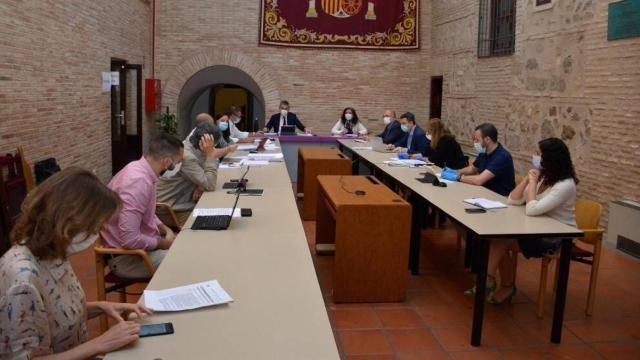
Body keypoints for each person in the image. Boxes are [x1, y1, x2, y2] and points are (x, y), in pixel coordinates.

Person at [0, 167, 153, 359]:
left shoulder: (53, 252)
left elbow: (54, 314)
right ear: (68, 221)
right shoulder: (23, 280)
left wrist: (102, 306)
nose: (96, 232)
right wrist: (100, 343)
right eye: (93, 226)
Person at [465, 138, 579, 304]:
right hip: (534, 228)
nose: (535, 157)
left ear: (551, 158)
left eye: (538, 154)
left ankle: (491, 282)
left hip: (556, 237)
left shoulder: (565, 185)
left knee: (500, 240)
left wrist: (532, 182)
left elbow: (532, 209)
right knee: (497, 239)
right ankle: (500, 284)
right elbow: (513, 200)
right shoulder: (543, 177)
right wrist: (527, 179)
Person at [100, 133, 184, 279]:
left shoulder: (141, 169)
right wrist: (164, 244)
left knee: (188, 251)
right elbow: (130, 240)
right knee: (188, 263)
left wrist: (165, 229)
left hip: (142, 249)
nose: (176, 166)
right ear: (166, 162)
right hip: (128, 258)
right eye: (176, 163)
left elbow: (145, 213)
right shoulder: (137, 183)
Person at [156, 123, 237, 227]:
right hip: (170, 210)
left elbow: (212, 157)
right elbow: (210, 185)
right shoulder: (187, 157)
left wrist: (200, 184)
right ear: (205, 143)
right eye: (213, 145)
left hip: (181, 203)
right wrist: (210, 155)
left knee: (222, 210)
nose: (214, 148)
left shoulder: (192, 146)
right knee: (217, 219)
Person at [447, 123, 515, 196]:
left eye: (477, 140)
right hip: (483, 192)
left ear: (487, 139)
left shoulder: (502, 156)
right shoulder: (483, 152)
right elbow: (472, 169)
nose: (475, 143)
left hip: (499, 198)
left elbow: (478, 180)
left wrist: (457, 177)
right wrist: (455, 171)